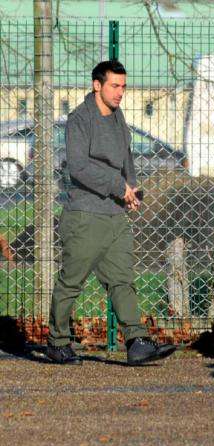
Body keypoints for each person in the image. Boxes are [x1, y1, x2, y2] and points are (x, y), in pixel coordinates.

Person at [46, 60, 176, 366]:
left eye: (123, 87)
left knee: (122, 279)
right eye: (114, 86)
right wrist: (118, 185)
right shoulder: (80, 119)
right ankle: (57, 341)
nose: (120, 93)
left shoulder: (118, 118)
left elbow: (126, 155)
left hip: (115, 215)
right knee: (71, 281)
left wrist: (130, 188)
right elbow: (79, 168)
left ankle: (137, 341)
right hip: (85, 216)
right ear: (97, 85)